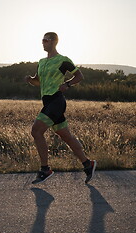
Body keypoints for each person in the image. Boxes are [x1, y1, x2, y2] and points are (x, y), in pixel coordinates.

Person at [24, 32, 96, 184]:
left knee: (36, 131)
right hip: (48, 102)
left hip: (57, 101)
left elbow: (79, 76)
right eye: (42, 40)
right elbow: (39, 82)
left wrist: (67, 84)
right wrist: (31, 80)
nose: (43, 43)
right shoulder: (42, 62)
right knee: (66, 136)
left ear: (53, 42)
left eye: (45, 40)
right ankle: (88, 164)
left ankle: (45, 169)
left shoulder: (63, 60)